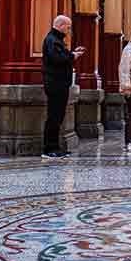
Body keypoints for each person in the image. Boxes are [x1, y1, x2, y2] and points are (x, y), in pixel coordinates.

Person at [41, 15, 85, 159]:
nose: (69, 29)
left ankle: (55, 147)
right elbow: (57, 59)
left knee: (58, 116)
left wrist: (72, 53)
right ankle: (49, 149)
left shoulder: (56, 40)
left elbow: (62, 55)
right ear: (60, 25)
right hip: (55, 84)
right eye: (68, 26)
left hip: (59, 83)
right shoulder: (52, 40)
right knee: (54, 116)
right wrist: (73, 56)